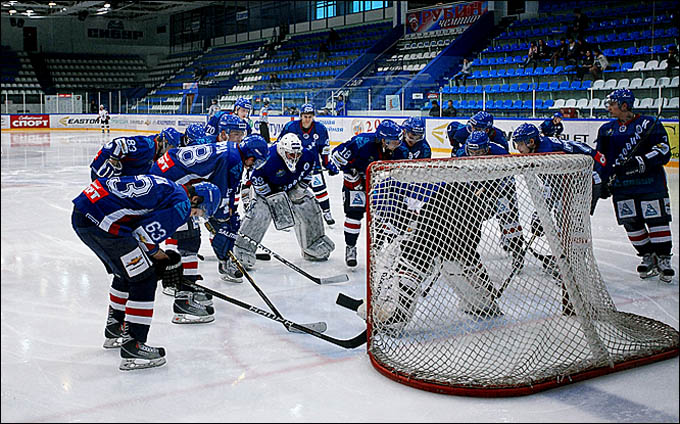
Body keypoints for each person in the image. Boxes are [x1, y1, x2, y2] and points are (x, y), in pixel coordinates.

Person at [71, 175, 221, 370]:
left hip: (86, 213)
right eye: (200, 211)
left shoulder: (172, 188)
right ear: (196, 199)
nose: (195, 216)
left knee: (127, 271)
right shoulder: (182, 205)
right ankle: (134, 345)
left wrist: (154, 256)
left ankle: (116, 327)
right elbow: (146, 238)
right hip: (102, 222)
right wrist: (165, 260)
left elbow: (138, 229)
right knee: (145, 278)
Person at [150, 135, 268, 292]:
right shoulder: (233, 161)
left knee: (202, 227)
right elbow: (221, 198)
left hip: (167, 175)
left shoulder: (232, 151)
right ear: (250, 156)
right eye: (255, 161)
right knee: (189, 237)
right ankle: (182, 287)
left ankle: (211, 268)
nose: (253, 165)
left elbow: (225, 193)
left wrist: (228, 217)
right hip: (168, 185)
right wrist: (225, 223)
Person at [592, 89, 674, 283]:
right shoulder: (606, 130)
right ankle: (647, 255)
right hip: (622, 186)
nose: (609, 108)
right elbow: (601, 160)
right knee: (632, 223)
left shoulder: (648, 124)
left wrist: (639, 161)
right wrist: (601, 182)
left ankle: (663, 258)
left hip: (650, 184)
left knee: (657, 221)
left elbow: (664, 151)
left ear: (624, 105)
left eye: (612, 104)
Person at [233, 133, 335, 267]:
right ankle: (243, 248)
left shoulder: (308, 156)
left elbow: (308, 174)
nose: (295, 158)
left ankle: (313, 243)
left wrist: (299, 190)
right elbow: (254, 180)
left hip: (291, 186)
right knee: (261, 213)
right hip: (266, 191)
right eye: (291, 155)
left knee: (308, 203)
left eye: (297, 154)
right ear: (282, 151)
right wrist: (275, 200)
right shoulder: (268, 159)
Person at [330, 119, 403, 267]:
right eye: (392, 142)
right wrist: (351, 174)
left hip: (379, 185)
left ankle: (379, 248)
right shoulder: (361, 142)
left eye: (397, 142)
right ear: (382, 140)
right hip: (355, 184)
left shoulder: (398, 152)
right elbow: (337, 155)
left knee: (387, 215)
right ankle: (350, 248)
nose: (396, 145)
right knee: (354, 215)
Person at [277, 103, 338, 225]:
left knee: (320, 189)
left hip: (313, 165)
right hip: (293, 166)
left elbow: (324, 150)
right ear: (301, 116)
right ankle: (286, 213)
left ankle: (326, 212)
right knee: (288, 189)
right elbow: (280, 144)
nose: (307, 119)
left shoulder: (321, 129)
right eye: (305, 116)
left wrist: (328, 165)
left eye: (310, 117)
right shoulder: (291, 127)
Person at [90, 128, 181, 180]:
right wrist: (112, 163)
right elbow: (119, 143)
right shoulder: (147, 146)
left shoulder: (154, 151)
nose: (171, 151)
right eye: (172, 147)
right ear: (165, 142)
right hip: (101, 170)